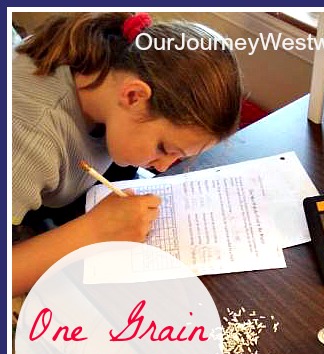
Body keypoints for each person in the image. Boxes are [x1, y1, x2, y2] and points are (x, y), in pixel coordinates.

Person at [12, 12, 243, 296]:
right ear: (134, 96)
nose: (161, 168)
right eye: (164, 149)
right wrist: (94, 232)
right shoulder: (28, 137)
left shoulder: (110, 66)